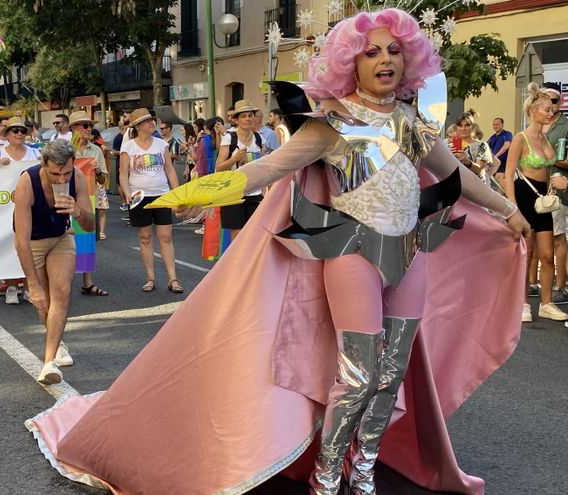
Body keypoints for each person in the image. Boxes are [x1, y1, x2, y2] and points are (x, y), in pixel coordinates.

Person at [26, 9, 527, 495]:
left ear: (410, 60)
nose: (384, 60)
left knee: (391, 374)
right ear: (350, 61)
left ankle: (364, 470)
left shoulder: (413, 125)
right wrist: (192, 194)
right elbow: (264, 171)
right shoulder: (331, 123)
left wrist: (508, 211)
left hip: (411, 255)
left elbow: (454, 176)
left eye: (395, 50)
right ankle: (327, 478)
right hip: (351, 253)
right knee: (358, 375)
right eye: (371, 51)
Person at [13, 139, 94, 384]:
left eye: (66, 172)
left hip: (61, 237)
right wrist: (33, 285)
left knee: (62, 293)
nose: (61, 179)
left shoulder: (77, 177)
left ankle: (48, 362)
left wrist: (77, 212)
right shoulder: (27, 181)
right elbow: (21, 240)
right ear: (43, 165)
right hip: (34, 242)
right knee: (44, 300)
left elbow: (90, 226)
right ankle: (56, 340)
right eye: (55, 173)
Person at [504, 83, 565, 322]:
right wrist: (512, 207)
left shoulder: (548, 140)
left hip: (544, 199)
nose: (551, 113)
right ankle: (522, 304)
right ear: (532, 111)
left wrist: (559, 179)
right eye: (546, 110)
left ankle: (546, 303)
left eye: (552, 109)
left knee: (548, 255)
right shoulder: (521, 138)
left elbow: (553, 168)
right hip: (524, 196)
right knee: (526, 254)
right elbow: (509, 174)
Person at [119, 108, 182, 293]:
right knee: (145, 237)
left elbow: (170, 170)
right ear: (138, 126)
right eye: (147, 121)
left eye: (152, 120)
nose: (152, 123)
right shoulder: (128, 147)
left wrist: (177, 194)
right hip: (139, 197)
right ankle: (151, 278)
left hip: (161, 194)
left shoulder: (161, 144)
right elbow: (123, 173)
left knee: (166, 237)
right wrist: (126, 192)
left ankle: (173, 279)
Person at [0, 116, 40, 305]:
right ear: (7, 134)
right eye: (15, 131)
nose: (19, 134)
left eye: (23, 131)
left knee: (31, 245)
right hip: (4, 208)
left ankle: (30, 287)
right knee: (8, 246)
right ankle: (12, 286)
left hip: (30, 206)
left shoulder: (34, 154)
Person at [69, 111, 109, 296]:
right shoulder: (63, 149)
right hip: (66, 199)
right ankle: (63, 284)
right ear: (74, 128)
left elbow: (102, 181)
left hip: (87, 200)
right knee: (66, 241)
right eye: (85, 126)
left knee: (86, 238)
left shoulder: (96, 150)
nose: (89, 129)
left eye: (90, 125)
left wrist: (98, 171)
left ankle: (87, 282)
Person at [216, 100, 265, 239]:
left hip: (254, 193)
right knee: (238, 237)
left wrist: (266, 189)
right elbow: (218, 168)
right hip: (233, 193)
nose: (248, 119)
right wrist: (234, 159)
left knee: (255, 235)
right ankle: (238, 261)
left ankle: (251, 262)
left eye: (250, 115)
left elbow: (263, 167)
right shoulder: (229, 139)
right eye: (243, 116)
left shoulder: (259, 139)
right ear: (236, 120)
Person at [543, 82, 568, 308]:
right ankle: (537, 283)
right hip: (536, 189)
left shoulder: (565, 125)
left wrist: (550, 158)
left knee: (558, 237)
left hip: (558, 189)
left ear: (559, 102)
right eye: (543, 99)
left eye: (552, 100)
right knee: (540, 238)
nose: (547, 104)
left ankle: (561, 286)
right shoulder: (537, 124)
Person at [451, 109, 495, 185]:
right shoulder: (451, 145)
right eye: (460, 126)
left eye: (467, 125)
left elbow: (479, 169)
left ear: (473, 127)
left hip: (476, 188)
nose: (463, 129)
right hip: (456, 188)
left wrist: (466, 161)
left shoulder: (482, 145)